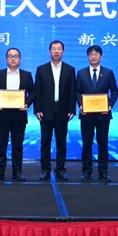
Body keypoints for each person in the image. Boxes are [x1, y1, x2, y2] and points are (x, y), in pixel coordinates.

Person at [0, 48, 35, 182]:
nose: (13, 58)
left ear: (20, 59)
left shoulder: (26, 75)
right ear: (6, 59)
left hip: (19, 114)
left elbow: (33, 92)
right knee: (1, 145)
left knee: (17, 145)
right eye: (10, 56)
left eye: (16, 56)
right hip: (1, 114)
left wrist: (27, 103)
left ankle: (17, 172)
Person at [75, 45, 118, 182]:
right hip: (86, 115)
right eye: (90, 54)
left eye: (96, 54)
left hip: (103, 114)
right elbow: (77, 91)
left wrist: (109, 105)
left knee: (103, 143)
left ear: (101, 56)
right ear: (87, 57)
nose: (93, 56)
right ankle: (86, 172)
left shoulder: (108, 73)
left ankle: (103, 172)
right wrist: (81, 104)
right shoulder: (81, 73)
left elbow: (115, 91)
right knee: (87, 144)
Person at [34, 40, 76, 181]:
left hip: (63, 111)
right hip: (45, 111)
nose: (56, 51)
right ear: (49, 51)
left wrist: (72, 109)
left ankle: (60, 170)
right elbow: (37, 91)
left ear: (63, 51)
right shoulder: (41, 69)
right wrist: (37, 109)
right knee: (45, 142)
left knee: (61, 142)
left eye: (59, 49)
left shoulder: (70, 69)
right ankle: (45, 170)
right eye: (54, 48)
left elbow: (72, 91)